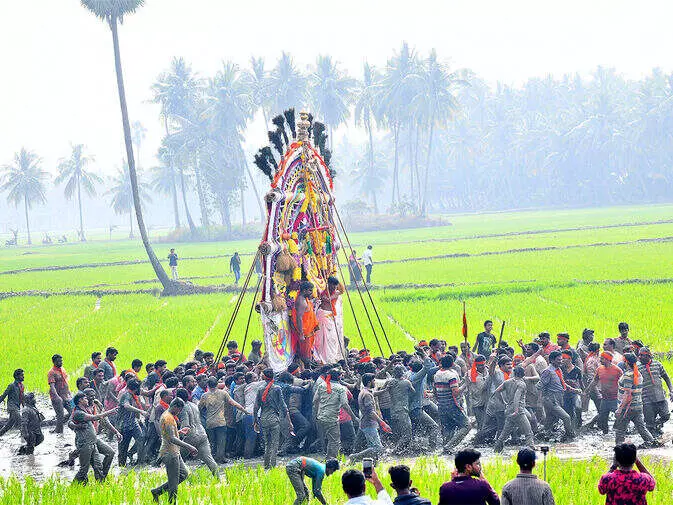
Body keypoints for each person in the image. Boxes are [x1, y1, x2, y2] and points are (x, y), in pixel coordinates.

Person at [151, 398, 198, 504]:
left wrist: (179, 432)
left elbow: (168, 434)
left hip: (174, 451)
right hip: (169, 453)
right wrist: (189, 446)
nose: (179, 412)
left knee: (184, 474)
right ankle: (172, 502)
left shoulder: (169, 415)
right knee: (173, 484)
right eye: (180, 410)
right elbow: (172, 438)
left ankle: (157, 492)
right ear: (176, 407)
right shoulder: (168, 418)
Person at [70, 391, 117, 484]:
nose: (88, 399)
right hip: (85, 443)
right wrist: (110, 411)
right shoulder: (78, 413)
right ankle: (73, 487)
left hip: (92, 442)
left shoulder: (87, 409)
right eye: (85, 398)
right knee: (84, 469)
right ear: (80, 401)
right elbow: (94, 417)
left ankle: (101, 485)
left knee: (98, 466)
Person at [613, 353, 658, 447]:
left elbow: (627, 394)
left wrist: (620, 409)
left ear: (626, 362)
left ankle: (618, 450)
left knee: (620, 431)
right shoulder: (638, 374)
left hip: (627, 408)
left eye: (623, 360)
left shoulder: (627, 375)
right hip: (638, 406)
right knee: (642, 429)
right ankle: (653, 443)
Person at [254, 368, 293, 469]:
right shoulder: (276, 389)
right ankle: (272, 466)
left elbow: (256, 407)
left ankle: (266, 466)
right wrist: (289, 422)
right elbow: (283, 406)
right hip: (274, 419)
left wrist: (255, 421)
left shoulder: (260, 389)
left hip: (263, 419)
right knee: (275, 444)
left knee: (267, 444)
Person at [174, 388, 218, 475]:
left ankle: (176, 479)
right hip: (202, 434)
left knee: (178, 458)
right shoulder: (194, 405)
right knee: (209, 459)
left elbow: (186, 426)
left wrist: (176, 435)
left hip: (191, 436)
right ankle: (219, 480)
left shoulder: (182, 408)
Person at [350, 373, 390, 462]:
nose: (375, 382)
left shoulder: (364, 391)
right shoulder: (367, 395)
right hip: (369, 424)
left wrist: (385, 389)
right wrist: (382, 423)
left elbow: (374, 393)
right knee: (377, 448)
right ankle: (355, 457)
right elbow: (371, 412)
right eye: (374, 380)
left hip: (365, 422)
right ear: (369, 382)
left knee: (372, 446)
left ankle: (373, 464)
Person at [494, 366, 533, 452]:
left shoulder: (507, 382)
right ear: (523, 374)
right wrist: (516, 410)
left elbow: (496, 391)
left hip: (508, 410)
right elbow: (517, 397)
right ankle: (531, 449)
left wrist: (503, 401)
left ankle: (496, 449)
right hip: (518, 411)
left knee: (504, 433)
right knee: (528, 432)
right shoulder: (521, 384)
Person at [538, 351, 575, 440]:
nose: (560, 361)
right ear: (552, 360)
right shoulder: (548, 371)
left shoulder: (558, 370)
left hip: (557, 398)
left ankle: (540, 435)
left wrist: (574, 390)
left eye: (561, 359)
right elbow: (540, 386)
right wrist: (542, 400)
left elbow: (562, 384)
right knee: (566, 417)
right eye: (558, 360)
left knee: (550, 420)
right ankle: (570, 436)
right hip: (550, 400)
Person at [638, 347, 673, 436]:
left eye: (642, 355)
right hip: (646, 399)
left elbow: (666, 378)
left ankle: (658, 426)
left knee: (666, 415)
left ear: (648, 356)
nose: (639, 357)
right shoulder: (638, 368)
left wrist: (671, 390)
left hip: (660, 397)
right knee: (649, 422)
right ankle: (653, 438)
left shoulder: (658, 365)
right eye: (639, 355)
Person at [292, 281, 319, 363]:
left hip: (308, 332)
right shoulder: (301, 301)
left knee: (307, 353)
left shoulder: (304, 299)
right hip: (304, 333)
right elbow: (299, 318)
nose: (311, 292)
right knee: (305, 355)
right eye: (310, 290)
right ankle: (307, 370)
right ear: (304, 291)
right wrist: (301, 334)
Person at [47, 354, 72, 434]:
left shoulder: (63, 369)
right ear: (53, 362)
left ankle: (57, 428)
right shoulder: (51, 372)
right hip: (57, 398)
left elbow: (66, 382)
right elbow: (52, 386)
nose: (61, 362)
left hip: (66, 396)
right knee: (60, 415)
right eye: (58, 361)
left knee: (73, 411)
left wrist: (69, 393)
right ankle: (59, 433)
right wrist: (57, 397)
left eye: (61, 361)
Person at [0, 368, 24, 436]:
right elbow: (4, 395)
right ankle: (25, 438)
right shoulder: (12, 385)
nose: (23, 377)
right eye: (21, 375)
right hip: (12, 407)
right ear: (17, 376)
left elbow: (22, 398)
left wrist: (26, 407)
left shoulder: (22, 385)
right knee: (20, 422)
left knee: (9, 424)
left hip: (17, 406)